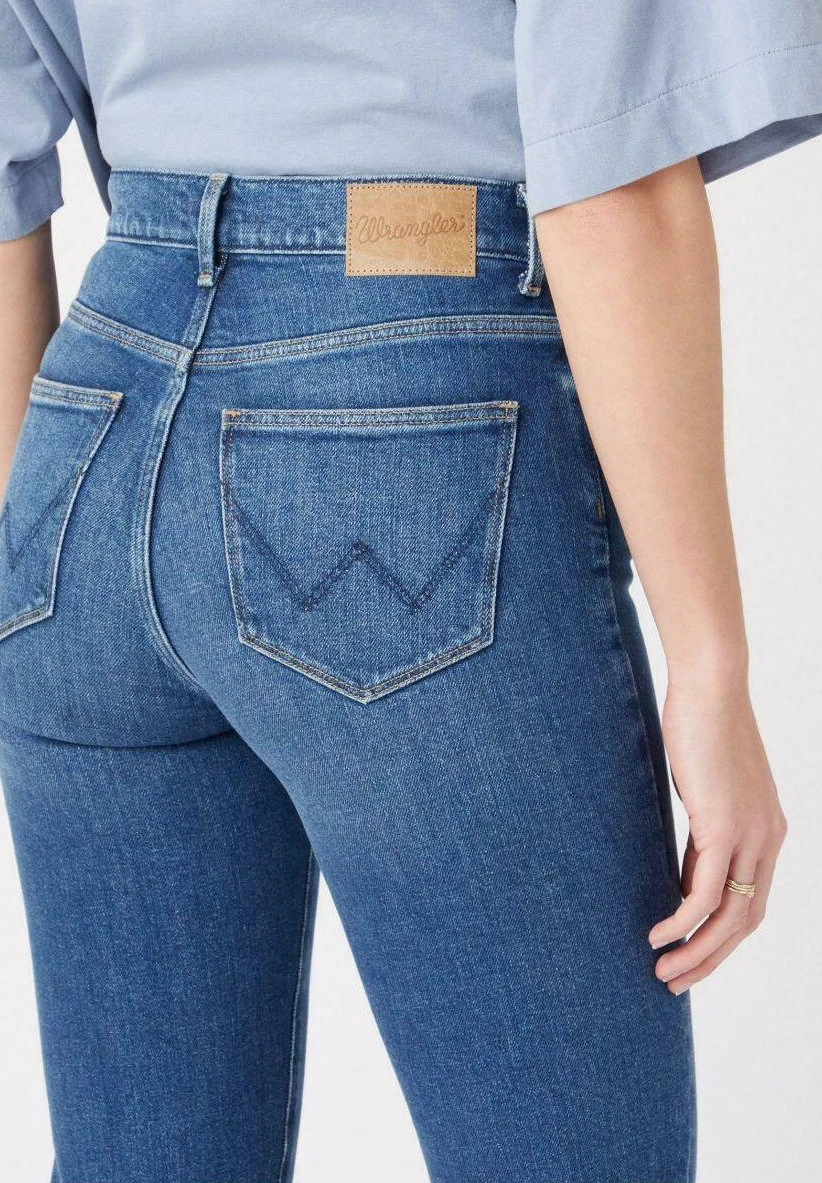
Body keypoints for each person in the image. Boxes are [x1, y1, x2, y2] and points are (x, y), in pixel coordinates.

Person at [1, 4, 819, 1182]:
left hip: (88, 430)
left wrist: (32, 558)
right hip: (411, 392)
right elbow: (613, 173)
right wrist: (711, 663)